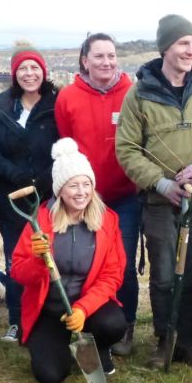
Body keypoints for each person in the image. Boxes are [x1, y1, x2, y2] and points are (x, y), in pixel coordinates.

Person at [116, 14, 192, 368]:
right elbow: (127, 149)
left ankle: (186, 341)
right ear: (165, 48)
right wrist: (161, 183)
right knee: (165, 274)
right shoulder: (139, 94)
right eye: (184, 43)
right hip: (159, 202)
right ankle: (164, 339)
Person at [10, 139, 127, 383]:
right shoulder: (40, 220)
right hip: (49, 310)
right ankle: (55, 344)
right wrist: (38, 261)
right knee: (50, 375)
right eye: (73, 185)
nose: (81, 192)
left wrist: (83, 309)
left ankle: (99, 348)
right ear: (60, 190)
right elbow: (18, 272)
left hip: (89, 308)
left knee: (114, 324)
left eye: (87, 184)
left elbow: (112, 276)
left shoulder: (107, 221)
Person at [55, 33, 138, 356]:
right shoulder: (68, 97)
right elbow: (66, 145)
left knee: (123, 265)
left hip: (124, 195)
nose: (106, 62)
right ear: (85, 61)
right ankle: (80, 320)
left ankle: (124, 325)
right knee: (79, 263)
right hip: (82, 199)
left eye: (111, 56)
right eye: (99, 56)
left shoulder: (132, 92)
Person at [0, 46, 59, 343]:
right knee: (16, 262)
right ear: (15, 74)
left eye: (35, 68)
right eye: (23, 69)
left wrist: (45, 178)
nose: (29, 74)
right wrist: (16, 176)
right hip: (12, 198)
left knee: (49, 259)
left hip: (49, 196)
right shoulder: (0, 107)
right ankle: (16, 321)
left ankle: (47, 318)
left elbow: (65, 145)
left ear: (44, 72)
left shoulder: (56, 104)